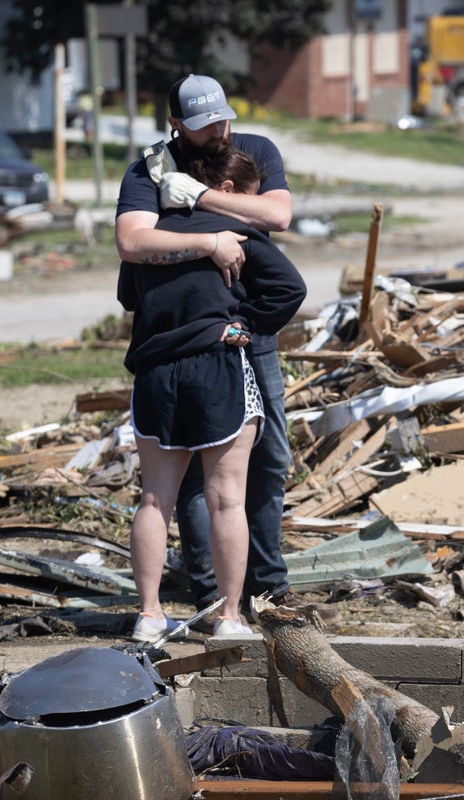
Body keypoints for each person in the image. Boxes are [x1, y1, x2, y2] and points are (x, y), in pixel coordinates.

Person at [116, 74, 298, 626]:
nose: (217, 131)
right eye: (202, 125)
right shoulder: (150, 168)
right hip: (204, 345)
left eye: (222, 119)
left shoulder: (255, 150)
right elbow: (131, 243)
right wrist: (209, 241)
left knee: (266, 463)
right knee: (207, 485)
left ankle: (265, 587)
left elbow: (280, 215)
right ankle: (218, 599)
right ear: (175, 125)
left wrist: (201, 199)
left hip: (241, 338)